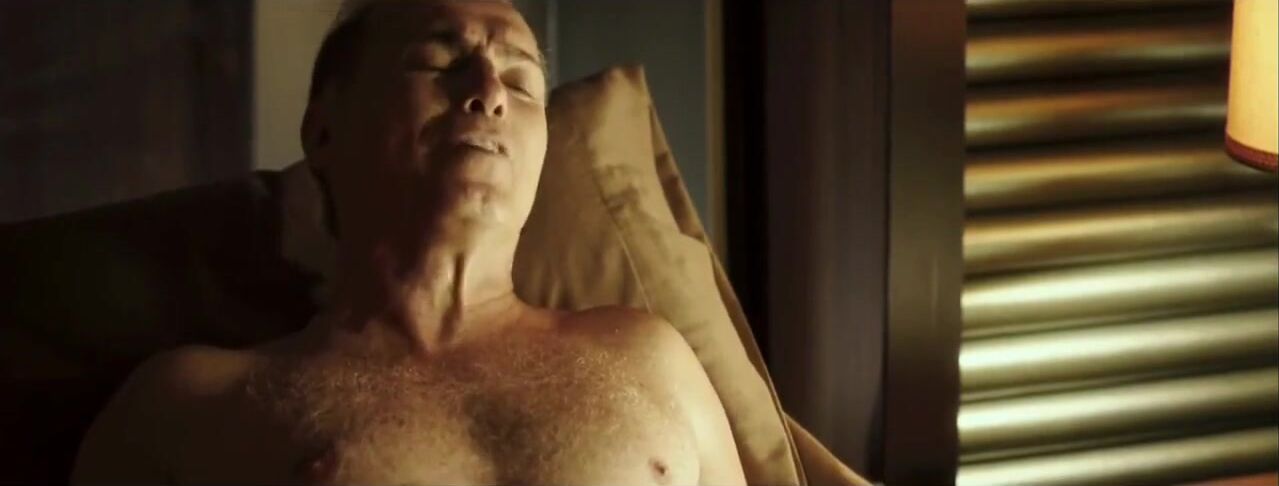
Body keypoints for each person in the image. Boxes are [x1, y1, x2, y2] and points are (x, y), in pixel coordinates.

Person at [70, 0, 747, 484]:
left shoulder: (650, 362)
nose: (489, 93)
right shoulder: (192, 406)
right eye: (438, 62)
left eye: (521, 82)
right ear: (324, 131)